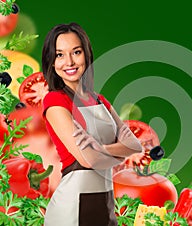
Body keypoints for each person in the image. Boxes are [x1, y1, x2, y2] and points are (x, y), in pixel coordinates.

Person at [41, 22, 143, 226]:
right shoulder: (55, 101)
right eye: (60, 55)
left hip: (105, 201)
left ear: (86, 55)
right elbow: (88, 161)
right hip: (71, 207)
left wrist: (99, 149)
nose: (69, 61)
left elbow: (135, 145)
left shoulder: (99, 100)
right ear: (51, 62)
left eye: (76, 52)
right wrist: (116, 153)